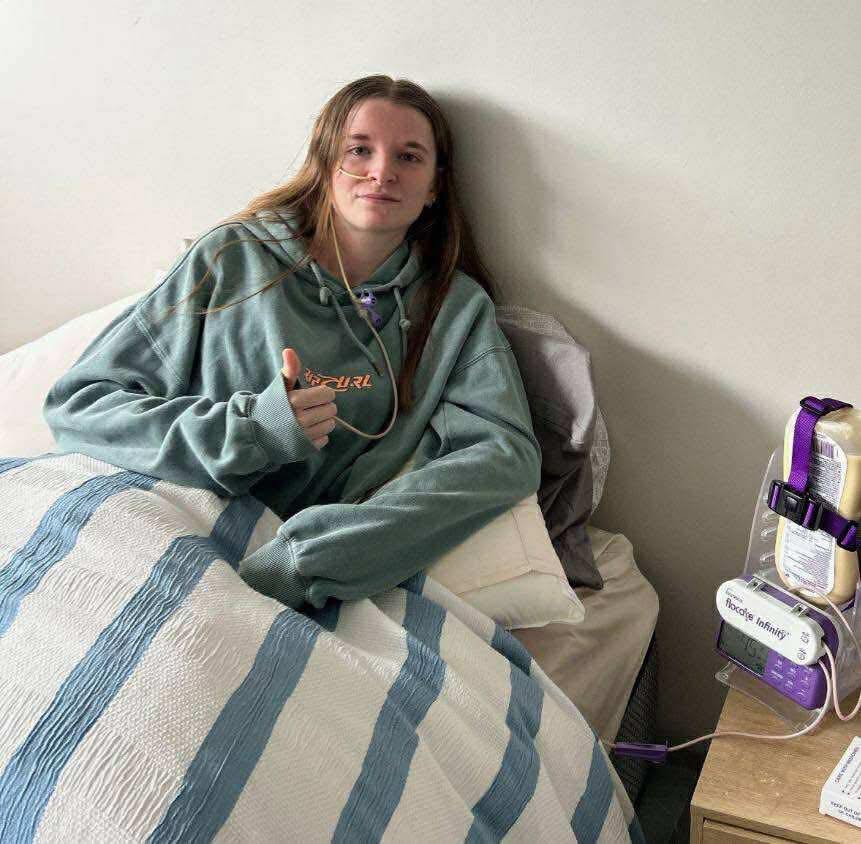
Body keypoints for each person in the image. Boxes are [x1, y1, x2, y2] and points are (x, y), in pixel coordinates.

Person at [42, 74, 542, 612]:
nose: (382, 172)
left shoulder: (453, 307)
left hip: (287, 569)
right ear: (325, 164)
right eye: (359, 150)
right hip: (148, 516)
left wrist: (312, 559)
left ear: (435, 185)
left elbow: (505, 457)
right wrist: (253, 431)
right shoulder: (231, 257)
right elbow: (78, 408)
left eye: (409, 156)